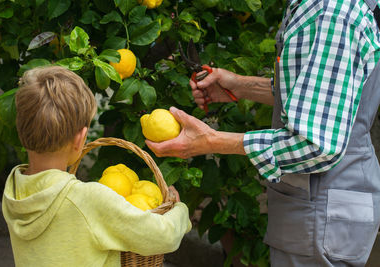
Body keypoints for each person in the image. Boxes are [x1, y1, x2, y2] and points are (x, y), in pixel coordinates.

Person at [146, 0, 380, 266]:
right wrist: (240, 86)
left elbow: (316, 144)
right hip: (322, 208)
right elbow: (321, 94)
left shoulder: (331, 14)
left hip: (321, 210)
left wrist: (211, 140)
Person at [2, 66, 191, 267]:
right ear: (80, 139)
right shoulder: (89, 200)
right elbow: (162, 236)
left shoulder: (14, 189)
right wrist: (180, 210)